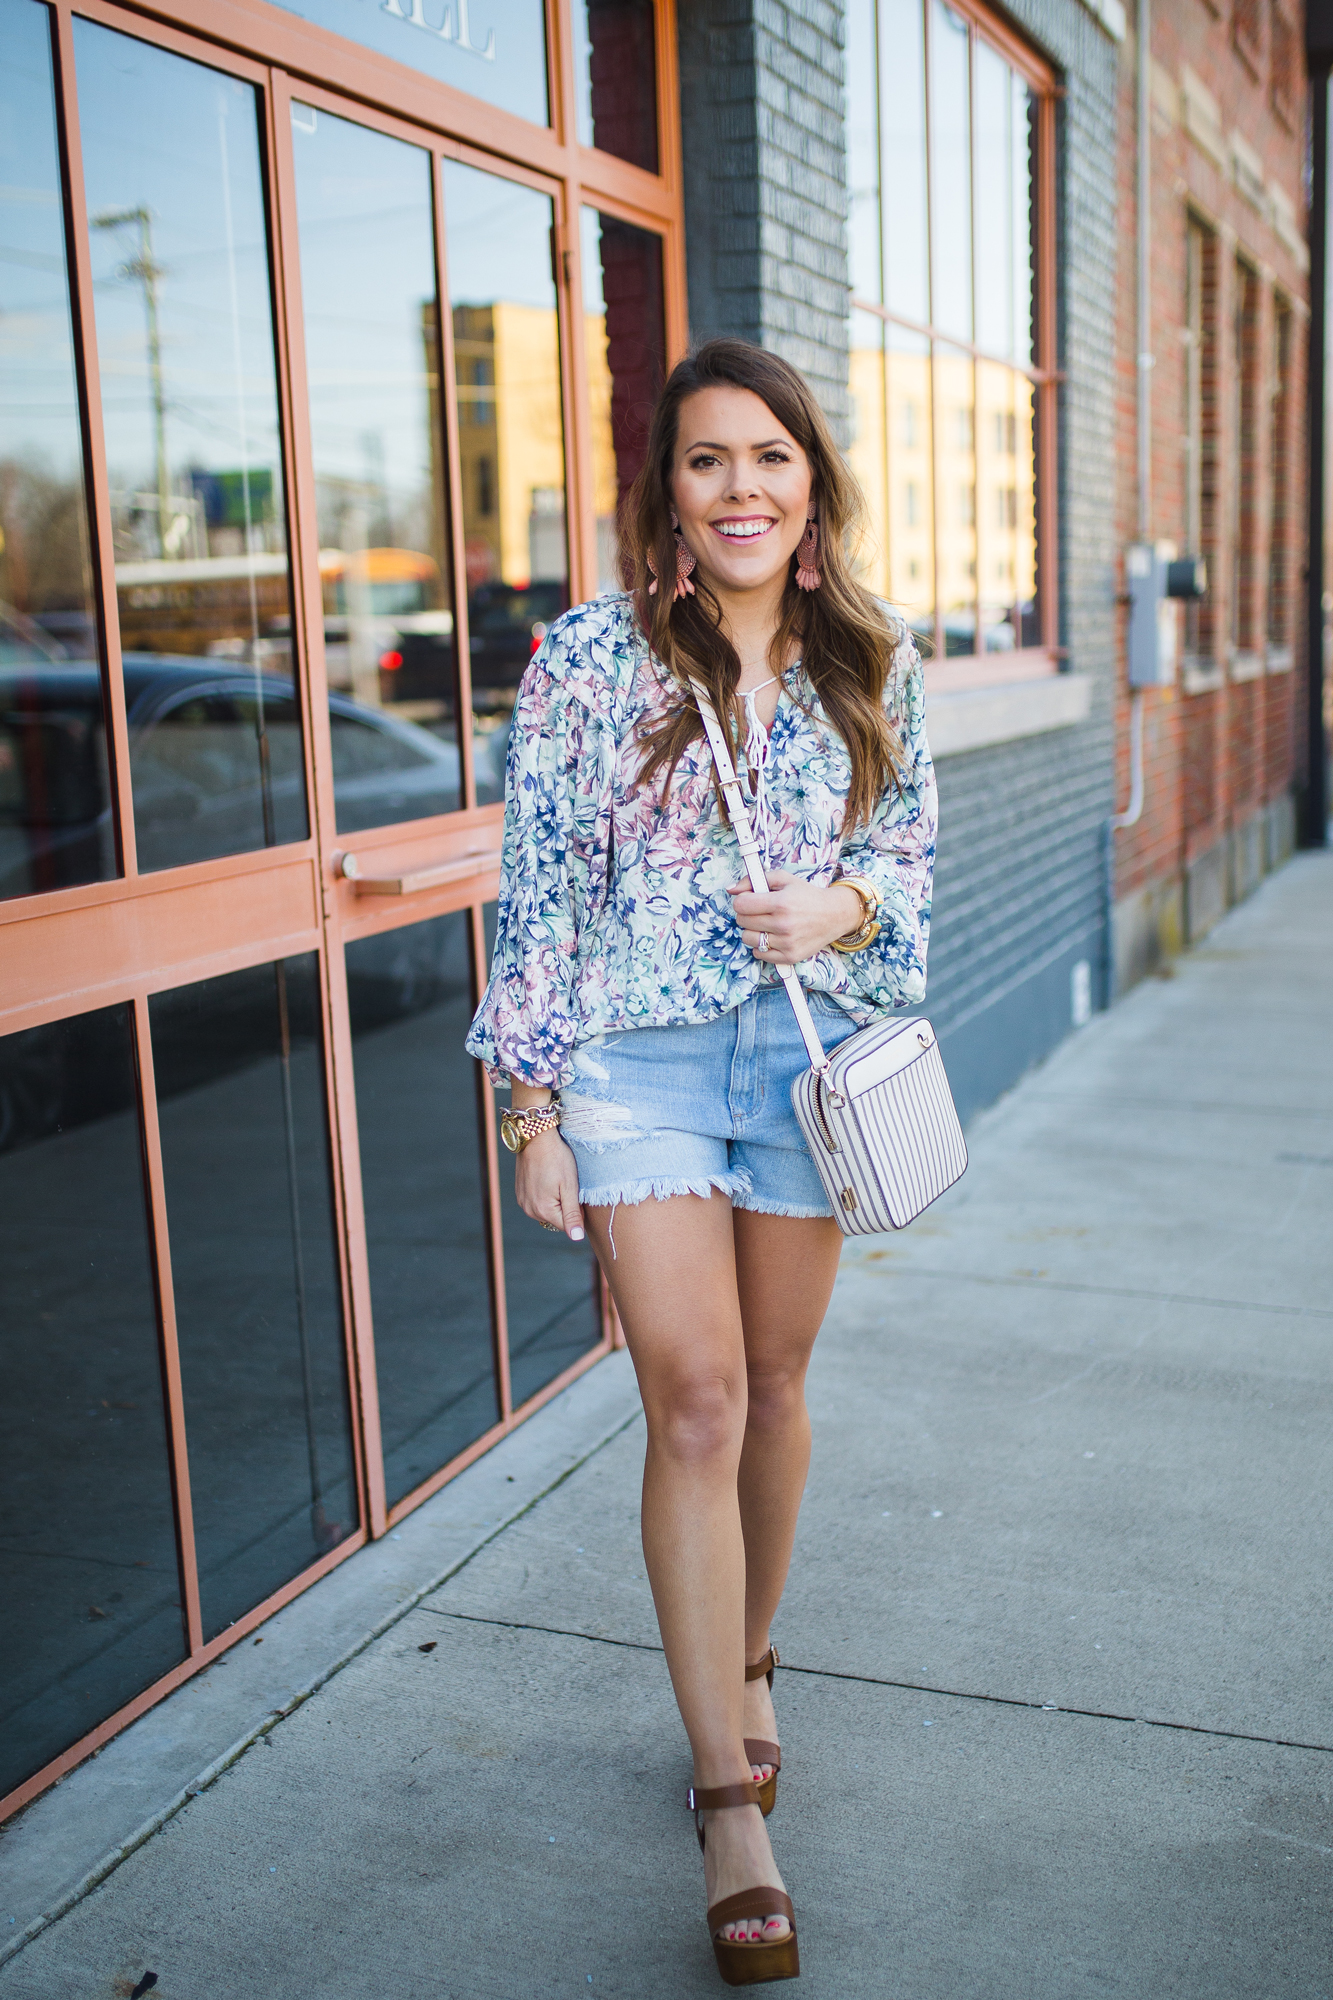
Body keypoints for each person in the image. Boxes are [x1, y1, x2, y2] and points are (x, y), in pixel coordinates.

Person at [466, 338, 936, 1985]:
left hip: (797, 1069)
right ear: (664, 489)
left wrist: (845, 905)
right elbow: (537, 890)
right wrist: (529, 1108)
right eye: (705, 460)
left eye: (769, 459)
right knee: (696, 1397)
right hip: (636, 1069)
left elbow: (909, 861)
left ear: (810, 486)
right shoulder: (591, 662)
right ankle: (730, 1802)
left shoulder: (866, 656)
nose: (739, 487)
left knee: (781, 1384)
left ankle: (745, 1659)